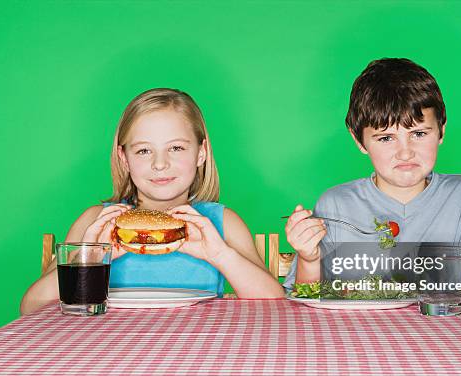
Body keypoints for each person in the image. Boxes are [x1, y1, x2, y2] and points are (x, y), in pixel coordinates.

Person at [21, 88, 284, 314]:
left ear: (201, 153)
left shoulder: (219, 222)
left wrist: (219, 255)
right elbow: (31, 307)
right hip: (105, 350)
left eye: (176, 148)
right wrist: (91, 260)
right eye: (144, 150)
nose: (160, 164)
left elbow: (273, 303)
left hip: (200, 350)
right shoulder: (96, 222)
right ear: (125, 159)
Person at [284, 58, 461, 302]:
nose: (405, 152)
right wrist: (309, 258)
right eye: (386, 138)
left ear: (441, 130)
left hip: (438, 336)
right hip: (355, 337)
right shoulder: (335, 205)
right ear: (359, 141)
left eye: (418, 133)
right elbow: (308, 300)